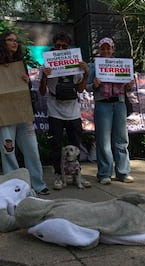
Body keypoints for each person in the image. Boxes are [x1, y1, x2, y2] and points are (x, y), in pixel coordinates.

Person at [0, 30, 50, 195]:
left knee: (32, 150)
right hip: (4, 116)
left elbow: (26, 90)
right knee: (8, 152)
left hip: (23, 113)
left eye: (16, 40)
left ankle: (38, 183)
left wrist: (27, 82)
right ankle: (14, 186)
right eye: (10, 40)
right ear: (3, 43)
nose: (15, 43)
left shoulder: (20, 64)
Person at [38, 32, 89, 190]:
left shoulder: (77, 65)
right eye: (58, 46)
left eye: (64, 46)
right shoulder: (47, 65)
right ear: (54, 46)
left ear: (69, 48)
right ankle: (58, 175)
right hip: (55, 110)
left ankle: (77, 175)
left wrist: (86, 73)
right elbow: (41, 91)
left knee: (75, 145)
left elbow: (80, 89)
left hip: (73, 110)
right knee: (56, 145)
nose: (60, 49)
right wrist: (45, 77)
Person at [86, 37, 133, 185]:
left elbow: (130, 87)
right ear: (99, 51)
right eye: (103, 49)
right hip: (102, 104)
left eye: (109, 48)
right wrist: (93, 84)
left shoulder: (122, 65)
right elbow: (85, 87)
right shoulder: (94, 66)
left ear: (113, 49)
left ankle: (123, 172)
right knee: (103, 140)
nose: (106, 51)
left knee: (122, 139)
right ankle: (104, 173)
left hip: (119, 103)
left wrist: (130, 85)